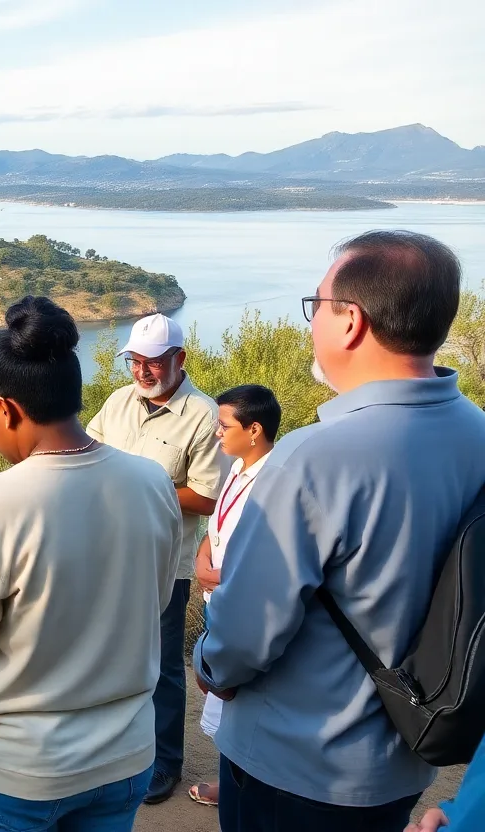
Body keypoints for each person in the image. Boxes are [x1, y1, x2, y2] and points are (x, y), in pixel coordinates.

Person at [194, 230, 485, 831]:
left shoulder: (314, 458)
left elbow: (247, 633)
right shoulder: (476, 432)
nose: (312, 324)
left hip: (294, 765)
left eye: (317, 307)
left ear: (350, 321)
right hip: (405, 754)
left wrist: (208, 665)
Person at [0, 296, 183, 832]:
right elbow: (158, 600)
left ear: (6, 408)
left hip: (13, 774)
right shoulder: (151, 483)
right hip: (123, 756)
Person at [85, 312, 224, 804]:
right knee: (108, 651)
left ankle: (165, 762)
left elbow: (208, 497)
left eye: (153, 362)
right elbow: (89, 450)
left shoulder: (204, 415)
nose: (142, 372)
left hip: (165, 561)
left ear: (179, 359)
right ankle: (117, 747)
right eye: (135, 362)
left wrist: (142, 486)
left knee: (164, 664)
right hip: (108, 554)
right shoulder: (119, 401)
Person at [188, 384, 281, 809]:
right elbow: (218, 527)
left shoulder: (275, 479)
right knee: (222, 698)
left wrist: (223, 576)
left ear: (255, 429)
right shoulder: (237, 468)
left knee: (241, 699)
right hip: (218, 601)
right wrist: (204, 559)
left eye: (223, 425)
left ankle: (242, 790)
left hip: (243, 607)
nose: (216, 433)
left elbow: (271, 553)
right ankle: (233, 783)